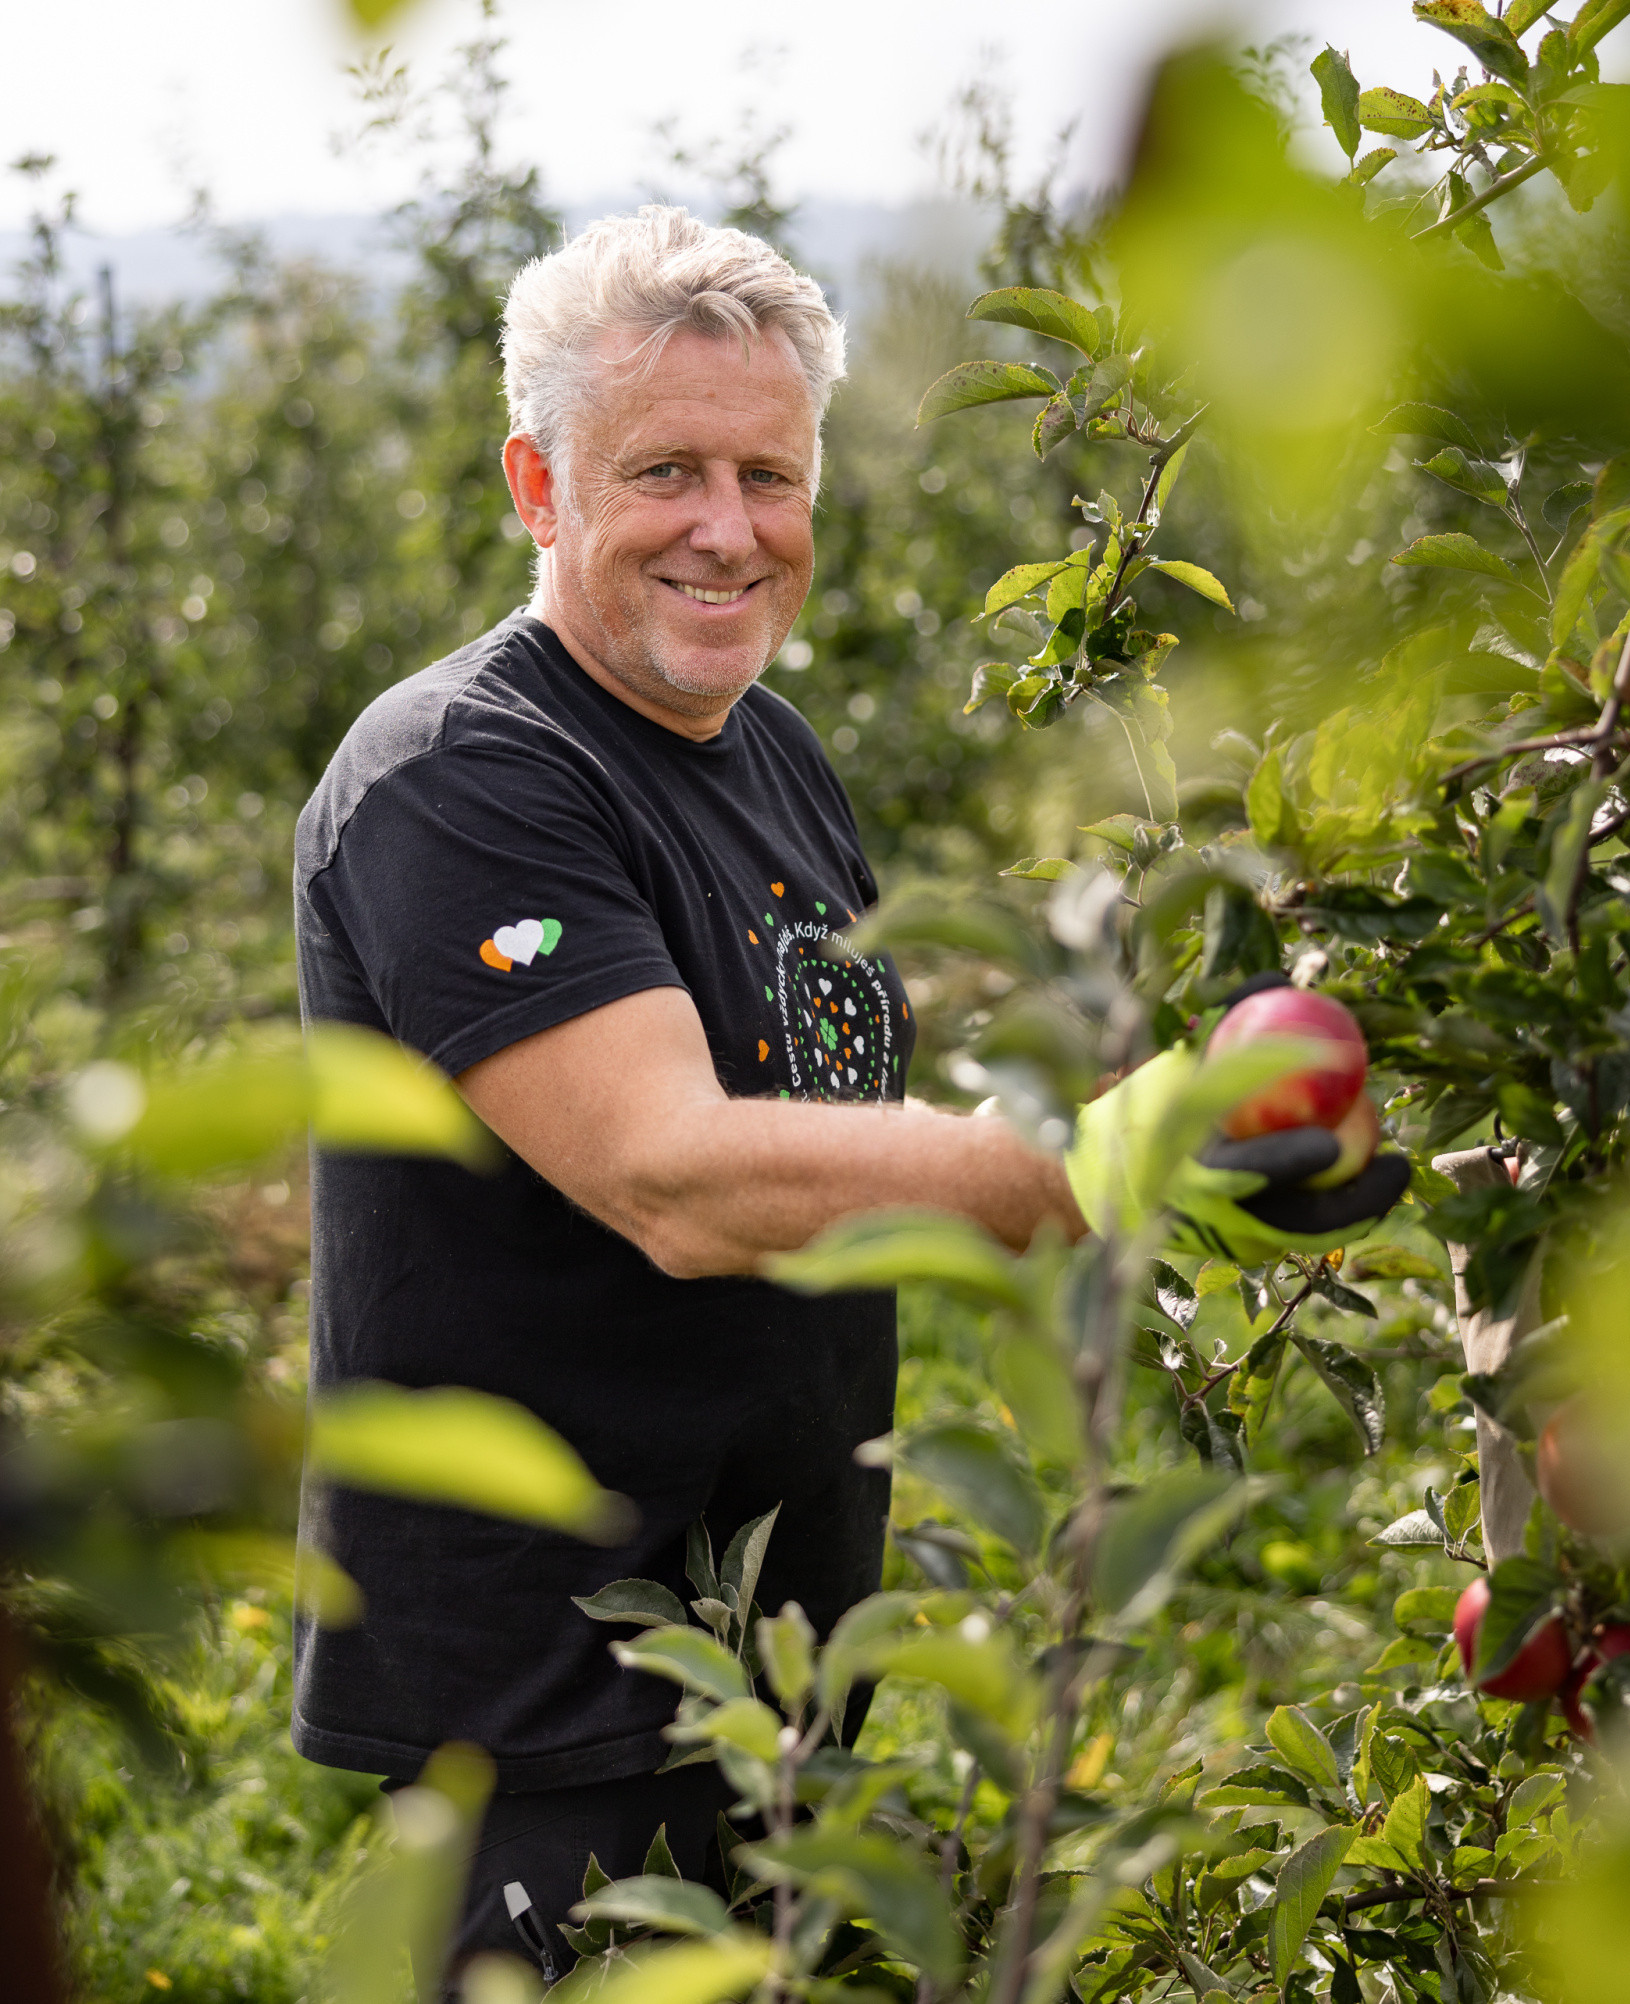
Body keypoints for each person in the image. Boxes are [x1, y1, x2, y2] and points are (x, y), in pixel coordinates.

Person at [290, 206, 1085, 1983]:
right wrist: (1052, 1173)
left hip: (778, 1687)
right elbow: (674, 1175)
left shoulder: (766, 746)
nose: (729, 530)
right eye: (665, 472)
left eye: (769, 476)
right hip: (553, 1718)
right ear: (538, 484)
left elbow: (818, 1102)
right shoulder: (459, 772)